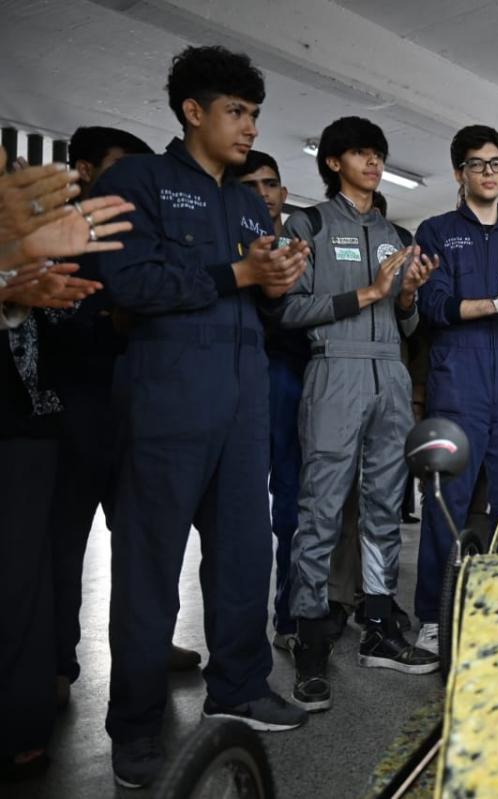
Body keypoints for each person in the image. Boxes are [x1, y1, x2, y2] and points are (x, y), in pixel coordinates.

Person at [93, 45, 312, 787]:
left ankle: (241, 685)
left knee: (246, 552)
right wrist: (237, 271)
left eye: (255, 114)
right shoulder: (138, 181)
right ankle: (135, 725)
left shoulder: (248, 202)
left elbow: (256, 298)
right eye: (236, 112)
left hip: (245, 398)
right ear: (193, 111)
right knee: (150, 568)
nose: (250, 128)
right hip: (168, 396)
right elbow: (127, 282)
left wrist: (274, 283)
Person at [280, 116, 440, 710]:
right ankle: (310, 641)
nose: (373, 163)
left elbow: (408, 325)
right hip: (334, 371)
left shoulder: (398, 234)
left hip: (390, 375)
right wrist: (367, 293)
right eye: (360, 153)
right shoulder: (309, 225)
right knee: (320, 510)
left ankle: (377, 626)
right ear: (333, 162)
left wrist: (406, 296)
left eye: (378, 154)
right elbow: (288, 310)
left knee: (384, 510)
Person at [45, 127, 206, 711]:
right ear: (85, 171)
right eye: (121, 169)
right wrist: (107, 321)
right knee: (64, 546)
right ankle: (56, 664)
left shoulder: (140, 235)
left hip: (140, 404)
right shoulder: (60, 237)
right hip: (79, 409)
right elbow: (48, 325)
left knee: (148, 541)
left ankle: (152, 644)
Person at [0, 146, 126, 784]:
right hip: (44, 421)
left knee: (26, 580)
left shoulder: (40, 250)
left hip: (29, 426)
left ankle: (25, 718)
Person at [413, 124, 498, 655]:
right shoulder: (435, 231)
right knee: (445, 502)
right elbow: (434, 307)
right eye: (477, 164)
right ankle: (434, 615)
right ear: (459, 173)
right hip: (459, 381)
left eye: (497, 164)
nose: (489, 173)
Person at [232, 149, 308, 651]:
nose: (263, 193)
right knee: (240, 514)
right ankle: (239, 635)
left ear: (283, 192)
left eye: (270, 183)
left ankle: (289, 618)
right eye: (250, 185)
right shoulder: (230, 249)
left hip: (294, 380)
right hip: (240, 382)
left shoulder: (302, 247)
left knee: (293, 510)